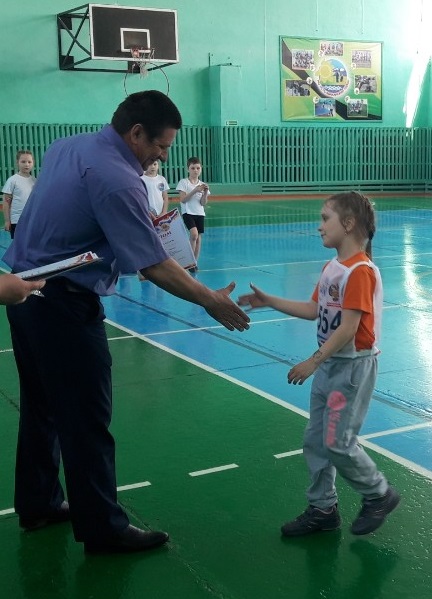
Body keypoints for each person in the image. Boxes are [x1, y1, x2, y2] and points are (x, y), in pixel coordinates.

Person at [4, 90, 250, 554]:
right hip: (63, 305)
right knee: (87, 418)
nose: (163, 155)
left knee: (41, 408)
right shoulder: (118, 179)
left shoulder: (66, 146)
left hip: (25, 296)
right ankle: (103, 529)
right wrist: (208, 301)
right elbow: (153, 265)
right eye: (161, 146)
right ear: (136, 133)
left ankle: (38, 504)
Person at [237, 191, 400, 537]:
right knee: (316, 440)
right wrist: (269, 301)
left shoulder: (360, 272)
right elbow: (315, 310)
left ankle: (379, 494)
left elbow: (349, 328)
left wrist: (313, 361)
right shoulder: (333, 268)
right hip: (330, 367)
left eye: (326, 218)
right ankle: (323, 508)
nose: (319, 226)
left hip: (351, 370)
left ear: (349, 224)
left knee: (338, 442)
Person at [177, 156, 210, 265]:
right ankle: (188, 260)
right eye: (193, 168)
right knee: (194, 234)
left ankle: (194, 262)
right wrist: (195, 190)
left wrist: (205, 193)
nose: (195, 170)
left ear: (201, 169)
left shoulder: (202, 184)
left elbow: (203, 203)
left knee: (198, 238)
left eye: (198, 168)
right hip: (188, 212)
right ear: (188, 169)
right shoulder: (183, 182)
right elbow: (183, 199)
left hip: (199, 213)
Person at [3, 150, 36, 239]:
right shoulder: (12, 180)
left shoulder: (34, 181)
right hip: (17, 220)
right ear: (17, 163)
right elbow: (6, 202)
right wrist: (7, 221)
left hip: (32, 219)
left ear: (33, 163)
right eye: (23, 162)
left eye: (29, 162)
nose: (27, 164)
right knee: (19, 245)